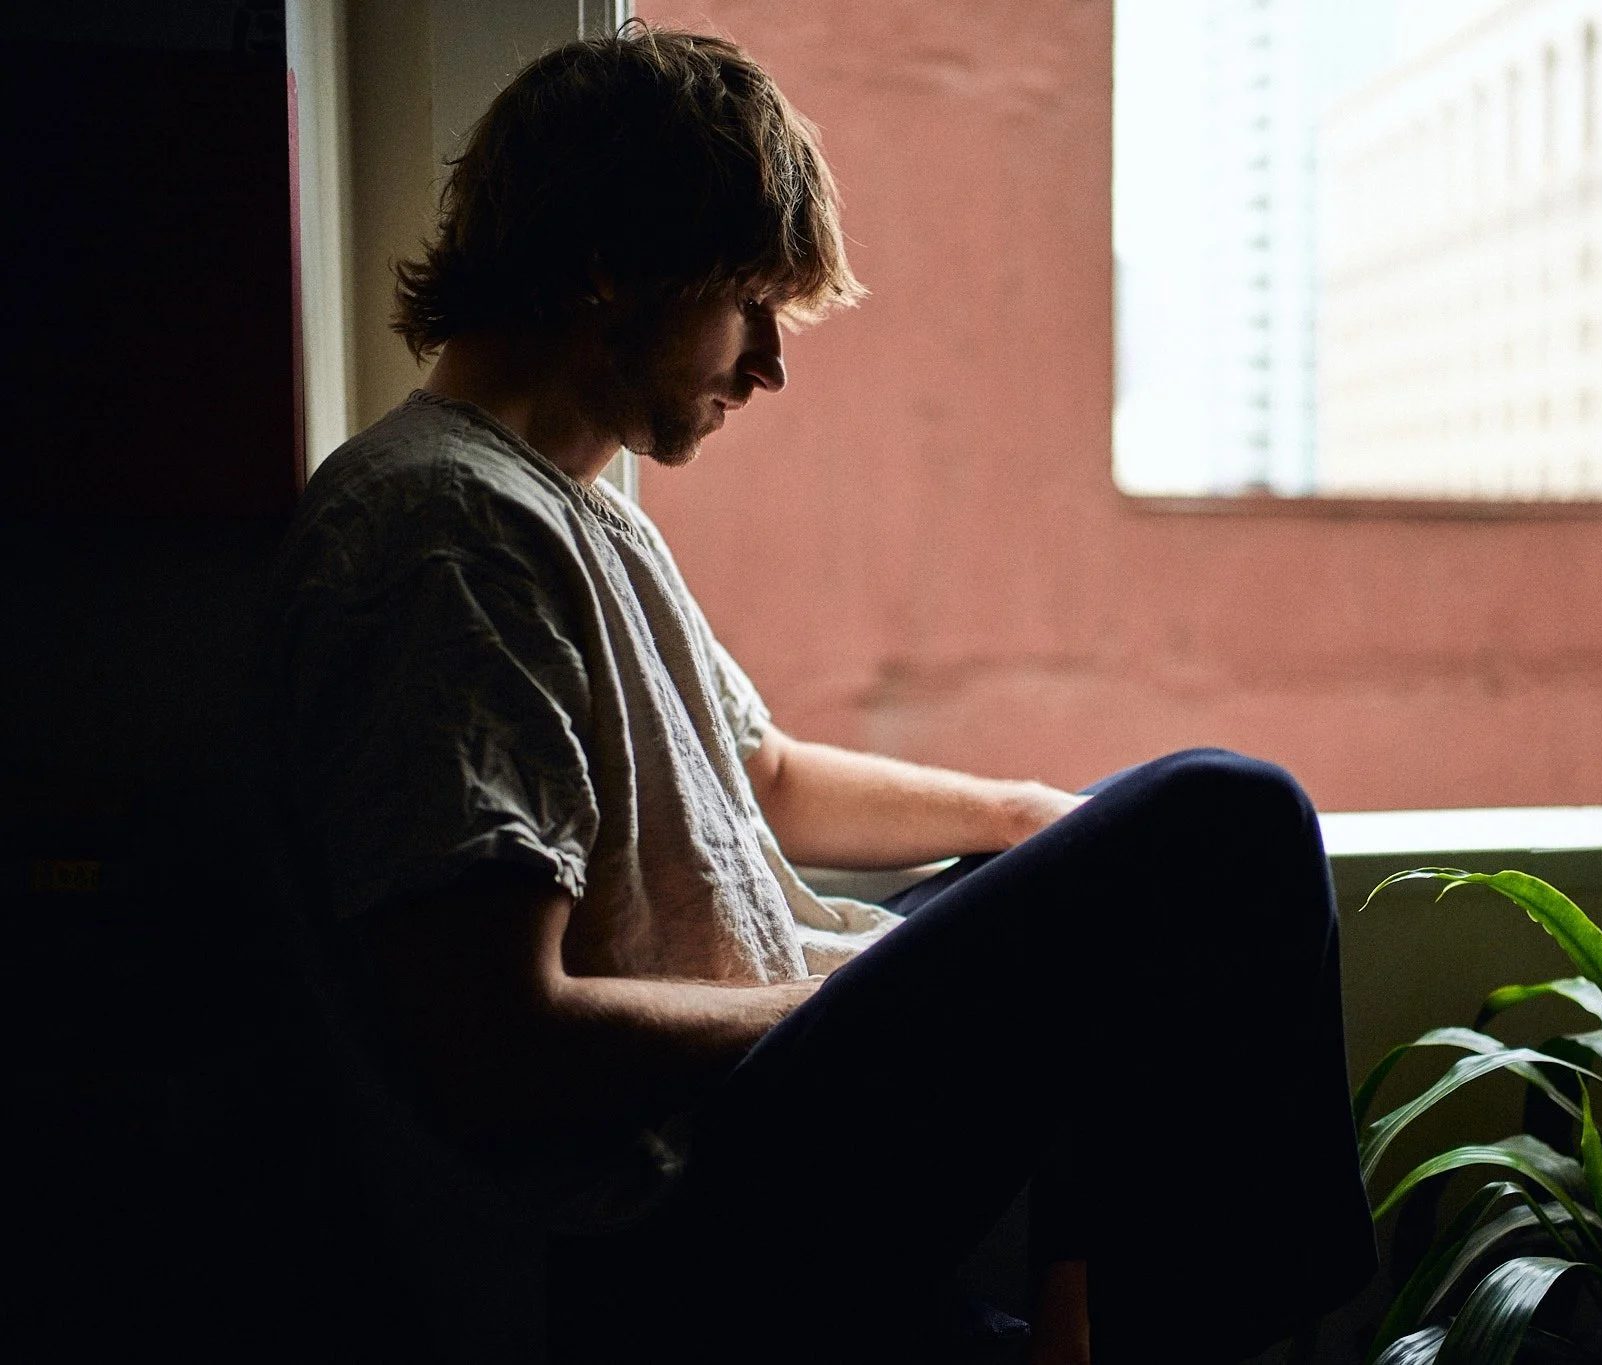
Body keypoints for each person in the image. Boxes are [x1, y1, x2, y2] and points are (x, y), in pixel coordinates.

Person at [265, 24, 1373, 1364]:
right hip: (628, 1248)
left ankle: (1084, 1331)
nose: (769, 367)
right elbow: (503, 1045)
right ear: (619, 271)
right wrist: (838, 999)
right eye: (748, 307)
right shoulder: (444, 533)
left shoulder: (573, 507)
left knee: (1122, 846)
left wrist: (1040, 824)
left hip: (720, 1141)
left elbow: (764, 776)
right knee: (1227, 818)